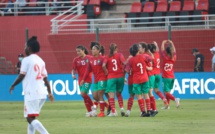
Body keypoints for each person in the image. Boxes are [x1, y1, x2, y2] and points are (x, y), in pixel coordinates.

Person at [9, 36, 54, 134]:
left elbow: (21, 76)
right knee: (31, 117)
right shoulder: (41, 61)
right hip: (42, 93)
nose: (24, 48)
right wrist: (50, 92)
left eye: (25, 46)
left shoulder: (26, 60)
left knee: (29, 118)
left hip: (31, 93)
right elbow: (45, 79)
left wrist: (13, 85)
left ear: (29, 48)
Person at [125, 44, 152, 117]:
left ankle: (143, 111)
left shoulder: (131, 60)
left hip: (136, 80)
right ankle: (149, 110)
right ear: (138, 50)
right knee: (146, 94)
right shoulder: (143, 56)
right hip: (145, 78)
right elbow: (151, 58)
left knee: (139, 95)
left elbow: (127, 70)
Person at [81, 44, 108, 117]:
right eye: (92, 49)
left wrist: (107, 73)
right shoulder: (91, 59)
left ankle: (102, 112)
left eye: (94, 49)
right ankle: (107, 106)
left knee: (100, 94)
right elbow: (87, 70)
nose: (92, 51)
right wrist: (83, 79)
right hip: (96, 79)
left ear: (98, 50)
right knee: (95, 96)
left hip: (102, 78)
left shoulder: (102, 58)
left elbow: (107, 66)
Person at [72, 45, 96, 117]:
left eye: (79, 51)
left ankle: (93, 106)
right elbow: (73, 70)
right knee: (84, 96)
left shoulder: (89, 58)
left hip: (87, 79)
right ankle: (90, 112)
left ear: (83, 50)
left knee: (82, 93)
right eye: (77, 51)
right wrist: (73, 75)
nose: (78, 53)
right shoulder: (76, 60)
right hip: (80, 80)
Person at [102, 43, 126, 117]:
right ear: (117, 49)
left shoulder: (107, 57)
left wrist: (106, 72)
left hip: (111, 77)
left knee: (111, 95)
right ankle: (122, 108)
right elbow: (124, 63)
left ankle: (114, 111)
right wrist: (123, 73)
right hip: (120, 77)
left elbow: (103, 65)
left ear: (109, 49)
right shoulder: (120, 55)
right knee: (119, 94)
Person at [148, 41, 169, 109]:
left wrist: (149, 51)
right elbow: (157, 49)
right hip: (158, 74)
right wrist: (156, 44)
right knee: (156, 90)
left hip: (153, 75)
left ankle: (152, 107)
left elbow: (151, 57)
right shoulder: (157, 54)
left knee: (150, 92)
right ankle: (164, 100)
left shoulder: (151, 56)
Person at [161, 40, 180, 109]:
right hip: (172, 77)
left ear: (166, 52)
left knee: (166, 93)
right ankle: (167, 105)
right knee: (168, 92)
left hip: (166, 77)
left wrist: (163, 42)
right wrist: (172, 43)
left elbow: (162, 50)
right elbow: (174, 51)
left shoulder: (165, 58)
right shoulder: (173, 58)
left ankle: (175, 99)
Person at [124, 47, 135, 117]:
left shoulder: (128, 60)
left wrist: (124, 77)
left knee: (131, 96)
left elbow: (126, 70)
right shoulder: (137, 59)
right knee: (141, 95)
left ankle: (128, 110)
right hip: (137, 80)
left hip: (130, 80)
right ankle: (142, 111)